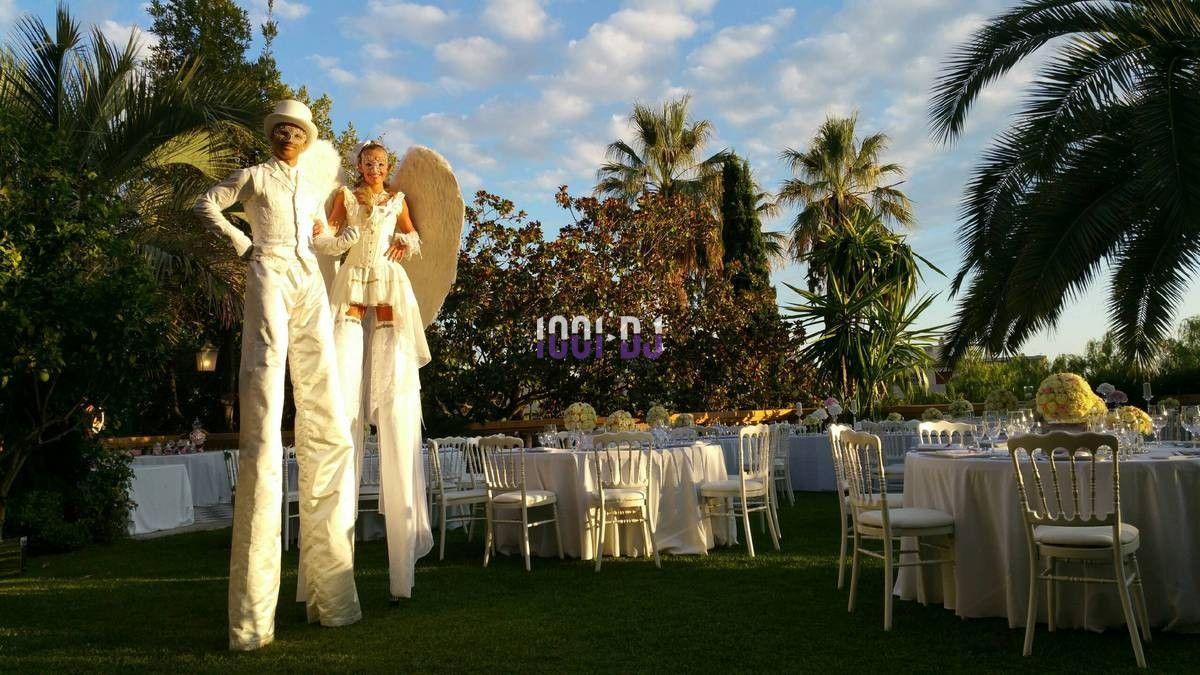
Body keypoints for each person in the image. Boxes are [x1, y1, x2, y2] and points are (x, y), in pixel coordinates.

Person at [193, 99, 361, 651]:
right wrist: (243, 243)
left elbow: (319, 238)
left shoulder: (309, 186)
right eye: (283, 128)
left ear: (306, 137)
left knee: (325, 412)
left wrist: (345, 242)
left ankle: (331, 598)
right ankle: (252, 620)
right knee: (264, 398)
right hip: (268, 267)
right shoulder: (253, 176)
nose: (289, 135)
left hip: (308, 275)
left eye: (297, 129)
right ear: (273, 135)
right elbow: (206, 204)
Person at [311, 140, 433, 602]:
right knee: (345, 352)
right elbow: (331, 237)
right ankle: (331, 563)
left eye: (381, 163)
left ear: (388, 167)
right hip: (353, 282)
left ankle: (400, 575)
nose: (375, 168)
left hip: (386, 280)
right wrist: (323, 234)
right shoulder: (346, 196)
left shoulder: (396, 201)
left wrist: (405, 241)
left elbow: (413, 237)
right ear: (359, 164)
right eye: (368, 162)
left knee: (388, 356)